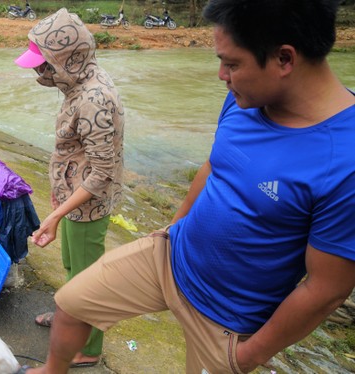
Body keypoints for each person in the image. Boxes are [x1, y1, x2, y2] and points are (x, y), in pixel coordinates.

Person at [23, 0, 355, 373]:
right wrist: (172, 226)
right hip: (171, 256)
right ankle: (53, 369)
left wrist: (249, 354)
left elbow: (327, 289)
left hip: (226, 319)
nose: (221, 76)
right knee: (71, 301)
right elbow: (216, 165)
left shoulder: (345, 160)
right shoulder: (244, 99)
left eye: (231, 64)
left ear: (284, 59)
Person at [14, 8, 125, 368]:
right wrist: (60, 203)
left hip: (88, 206)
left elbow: (102, 172)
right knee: (72, 267)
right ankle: (69, 318)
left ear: (66, 60)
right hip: (73, 201)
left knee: (87, 280)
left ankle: (88, 347)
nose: (38, 71)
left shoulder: (94, 98)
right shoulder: (78, 81)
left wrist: (57, 214)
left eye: (43, 63)